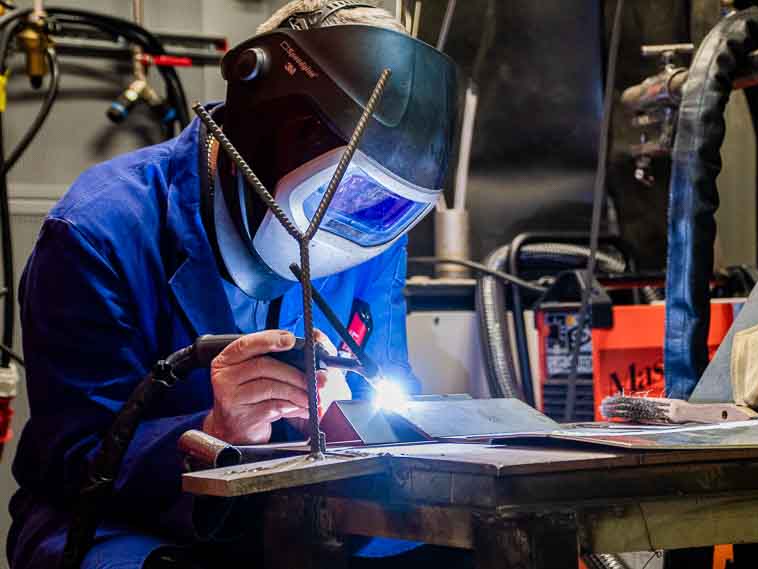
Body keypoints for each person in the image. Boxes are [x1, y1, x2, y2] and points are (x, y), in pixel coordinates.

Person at [6, 1, 457, 568]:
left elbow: (393, 389)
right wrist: (210, 434)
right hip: (132, 521)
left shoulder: (377, 226)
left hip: (311, 510)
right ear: (276, 125)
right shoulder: (99, 230)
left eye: (385, 209)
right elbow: (72, 456)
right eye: (338, 196)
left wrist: (354, 416)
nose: (357, 224)